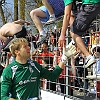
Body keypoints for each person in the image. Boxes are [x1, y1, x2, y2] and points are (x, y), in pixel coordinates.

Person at [1, 37, 72, 100]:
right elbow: (3, 96)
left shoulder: (34, 65)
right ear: (17, 52)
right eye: (25, 47)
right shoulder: (9, 70)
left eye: (28, 46)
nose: (29, 48)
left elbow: (52, 76)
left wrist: (64, 59)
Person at [58, 0, 100, 68]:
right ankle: (75, 40)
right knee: (72, 13)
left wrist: (62, 34)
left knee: (73, 32)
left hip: (90, 4)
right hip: (91, 4)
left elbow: (67, 15)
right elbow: (70, 14)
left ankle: (88, 56)